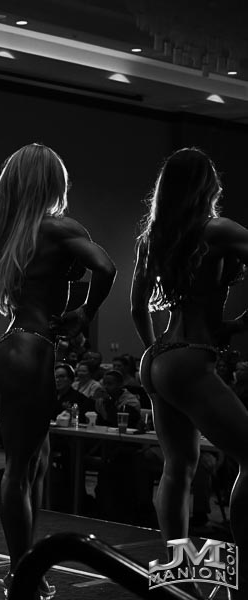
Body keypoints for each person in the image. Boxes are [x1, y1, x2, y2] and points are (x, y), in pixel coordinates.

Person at [0, 143, 116, 598]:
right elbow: (106, 267)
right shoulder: (58, 228)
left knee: (29, 467)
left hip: (8, 348)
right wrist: (86, 313)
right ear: (53, 183)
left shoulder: (2, 235)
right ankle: (23, 577)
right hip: (35, 349)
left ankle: (26, 571)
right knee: (20, 471)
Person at [131, 147, 248, 599]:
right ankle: (241, 573)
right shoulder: (216, 229)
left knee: (178, 468)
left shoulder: (154, 237)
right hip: (189, 358)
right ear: (207, 186)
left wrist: (156, 352)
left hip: (158, 356)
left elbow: (137, 307)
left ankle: (181, 581)